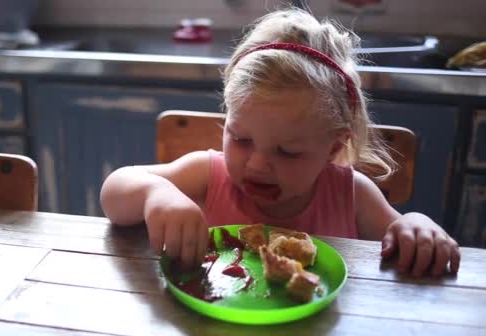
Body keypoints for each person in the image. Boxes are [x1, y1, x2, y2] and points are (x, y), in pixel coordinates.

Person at [100, 7, 460, 277]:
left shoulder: (352, 195)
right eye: (241, 139)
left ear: (333, 148)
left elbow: (400, 236)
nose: (257, 164)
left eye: (287, 152)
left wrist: (416, 223)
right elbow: (115, 191)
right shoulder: (208, 174)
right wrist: (156, 195)